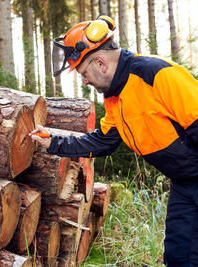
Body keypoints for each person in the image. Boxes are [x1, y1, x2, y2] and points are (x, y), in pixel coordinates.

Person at [31, 15, 198, 266]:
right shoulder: (115, 98)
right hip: (184, 183)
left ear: (100, 62)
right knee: (178, 255)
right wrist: (53, 142)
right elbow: (102, 142)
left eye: (84, 73)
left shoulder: (157, 74)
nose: (85, 81)